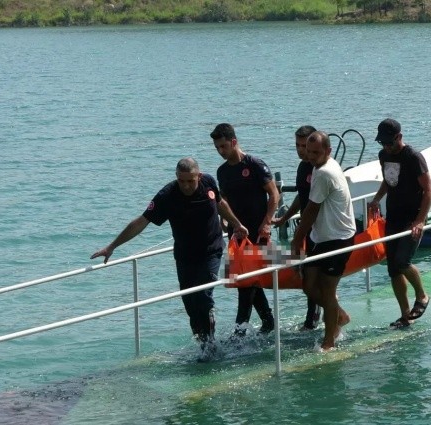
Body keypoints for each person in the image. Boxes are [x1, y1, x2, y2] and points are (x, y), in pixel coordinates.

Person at [90, 157, 248, 351]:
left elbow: (220, 203)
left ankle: (211, 341)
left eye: (190, 180)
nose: (186, 186)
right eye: (182, 181)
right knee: (191, 306)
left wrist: (236, 224)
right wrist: (112, 246)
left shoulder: (208, 182)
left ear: (198, 176)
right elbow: (141, 222)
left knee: (203, 297)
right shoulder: (167, 196)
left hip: (211, 251)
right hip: (184, 256)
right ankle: (203, 345)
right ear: (176, 177)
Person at [210, 123, 280, 336]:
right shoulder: (222, 172)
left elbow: (274, 195)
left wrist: (267, 222)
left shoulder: (255, 164)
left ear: (233, 142)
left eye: (223, 146)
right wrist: (224, 221)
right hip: (236, 235)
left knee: (245, 283)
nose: (221, 151)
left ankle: (239, 331)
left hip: (257, 233)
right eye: (217, 148)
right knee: (246, 280)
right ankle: (268, 320)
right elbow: (225, 199)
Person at [291, 131, 355, 351]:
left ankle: (329, 341)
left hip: (338, 238)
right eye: (308, 151)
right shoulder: (318, 168)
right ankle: (340, 315)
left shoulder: (325, 172)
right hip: (321, 237)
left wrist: (296, 240)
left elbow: (310, 210)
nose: (310, 156)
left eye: (316, 152)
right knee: (309, 285)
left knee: (327, 290)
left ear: (328, 151)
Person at [368, 118, 431, 329]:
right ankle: (405, 315)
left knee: (403, 261)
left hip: (412, 218)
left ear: (399, 137)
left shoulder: (413, 157)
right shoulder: (384, 155)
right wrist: (377, 198)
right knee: (393, 270)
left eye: (390, 142)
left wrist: (420, 221)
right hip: (393, 217)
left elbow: (429, 190)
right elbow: (389, 180)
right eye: (383, 143)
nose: (386, 146)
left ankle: (422, 296)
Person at [272, 125, 322, 331]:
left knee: (314, 275)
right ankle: (312, 317)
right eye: (297, 145)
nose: (301, 150)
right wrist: (285, 217)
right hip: (307, 230)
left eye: (305, 146)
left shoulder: (320, 169)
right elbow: (302, 198)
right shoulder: (303, 168)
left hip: (322, 230)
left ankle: (316, 317)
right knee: (306, 274)